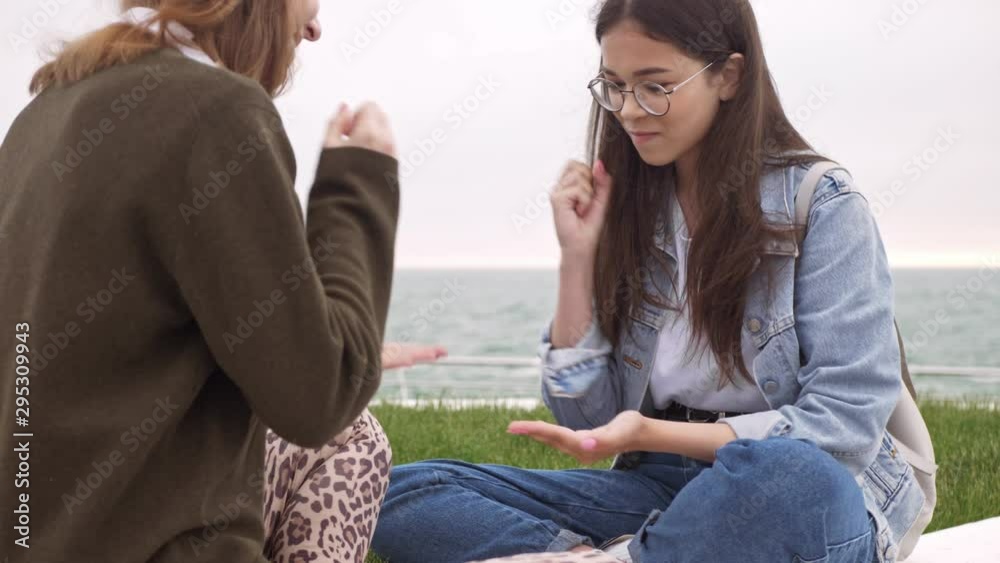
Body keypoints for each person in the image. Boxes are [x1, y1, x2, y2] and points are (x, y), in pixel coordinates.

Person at [371, 1, 924, 562]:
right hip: (660, 489)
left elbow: (844, 427)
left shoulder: (822, 204)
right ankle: (614, 555)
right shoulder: (632, 209)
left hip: (803, 494)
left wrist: (647, 435)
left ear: (728, 76)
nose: (630, 111)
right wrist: (577, 257)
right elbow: (587, 419)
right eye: (614, 86)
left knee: (788, 472)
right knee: (396, 490)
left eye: (655, 86)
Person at [0, 1, 446, 561]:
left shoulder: (43, 113)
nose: (314, 27)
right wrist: (357, 186)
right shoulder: (217, 112)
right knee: (350, 434)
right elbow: (319, 396)